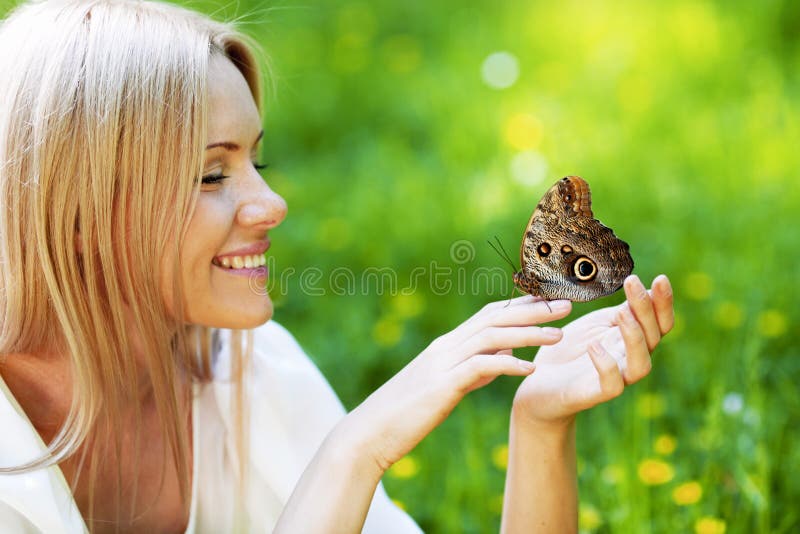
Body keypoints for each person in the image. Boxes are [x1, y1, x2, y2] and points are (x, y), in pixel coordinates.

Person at [0, 1, 674, 532]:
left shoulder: (252, 369)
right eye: (211, 174)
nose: (272, 203)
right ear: (77, 213)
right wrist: (351, 451)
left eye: (254, 163)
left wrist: (539, 426)